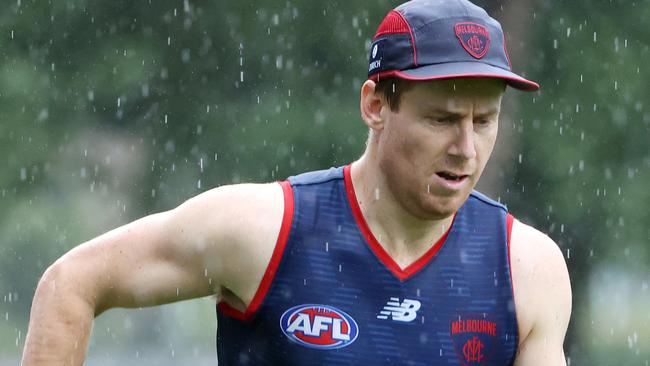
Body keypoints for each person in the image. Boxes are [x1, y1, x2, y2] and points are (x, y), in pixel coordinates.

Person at [22, 0, 571, 365]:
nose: (466, 148)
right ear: (375, 105)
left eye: (484, 121)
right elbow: (70, 284)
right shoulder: (266, 230)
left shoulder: (526, 268)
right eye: (442, 119)